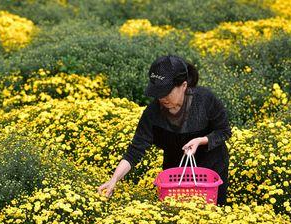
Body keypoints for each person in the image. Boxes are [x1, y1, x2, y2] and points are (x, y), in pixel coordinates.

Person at [98, 55, 231, 205]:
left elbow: (224, 131)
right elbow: (135, 150)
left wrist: (200, 141)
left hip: (211, 168)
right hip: (175, 169)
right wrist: (114, 179)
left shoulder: (204, 100)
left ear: (184, 85)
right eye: (158, 93)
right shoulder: (153, 112)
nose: (162, 98)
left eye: (166, 92)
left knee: (212, 216)